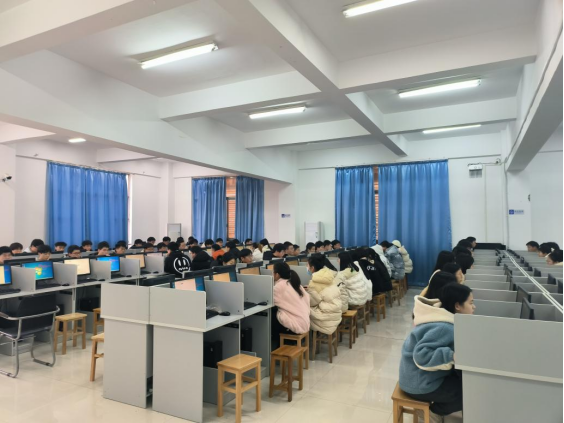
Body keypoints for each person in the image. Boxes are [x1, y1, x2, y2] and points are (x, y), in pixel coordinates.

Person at [400, 284, 475, 422]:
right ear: (457, 306)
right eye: (471, 303)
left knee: (461, 380)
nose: (474, 307)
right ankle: (432, 413)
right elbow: (421, 355)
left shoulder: (441, 319)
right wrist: (451, 356)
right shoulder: (444, 327)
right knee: (467, 393)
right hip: (418, 384)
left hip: (413, 377)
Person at [272, 263, 311, 350]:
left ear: (277, 274)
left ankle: (280, 348)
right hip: (304, 321)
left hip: (296, 325)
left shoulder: (279, 286)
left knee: (271, 318)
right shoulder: (295, 283)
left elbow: (270, 300)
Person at [307, 254, 343, 335]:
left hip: (326, 318)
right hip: (336, 314)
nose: (307, 268)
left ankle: (306, 338)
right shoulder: (330, 276)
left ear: (312, 268)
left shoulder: (314, 282)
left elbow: (312, 302)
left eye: (308, 265)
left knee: (304, 308)